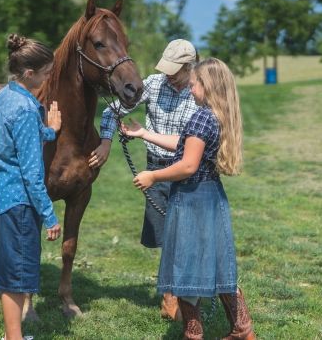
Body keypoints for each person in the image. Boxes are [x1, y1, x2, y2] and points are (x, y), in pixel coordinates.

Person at [123, 57, 256, 340]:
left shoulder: (200, 117)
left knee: (184, 267)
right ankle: (242, 329)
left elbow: (187, 164)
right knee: (218, 265)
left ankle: (192, 335)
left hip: (192, 199)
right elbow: (185, 143)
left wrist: (153, 176)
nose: (191, 89)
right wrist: (145, 133)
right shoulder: (215, 116)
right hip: (211, 197)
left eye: (194, 84)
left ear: (206, 86)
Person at [89, 39, 199, 320]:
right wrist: (105, 142)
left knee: (185, 236)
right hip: (156, 170)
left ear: (190, 66)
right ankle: (171, 295)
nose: (169, 75)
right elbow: (112, 111)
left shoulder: (199, 91)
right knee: (165, 237)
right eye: (167, 68)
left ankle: (181, 296)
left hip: (187, 170)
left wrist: (143, 134)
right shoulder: (154, 84)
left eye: (176, 70)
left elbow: (190, 144)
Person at [0, 34, 62, 340]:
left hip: (1, 198)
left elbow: (18, 139)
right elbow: (31, 172)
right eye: (46, 73)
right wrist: (50, 215)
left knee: (6, 273)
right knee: (17, 276)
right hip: (20, 204)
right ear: (30, 73)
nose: (49, 77)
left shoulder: (5, 95)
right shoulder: (28, 109)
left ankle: (11, 335)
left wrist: (49, 132)